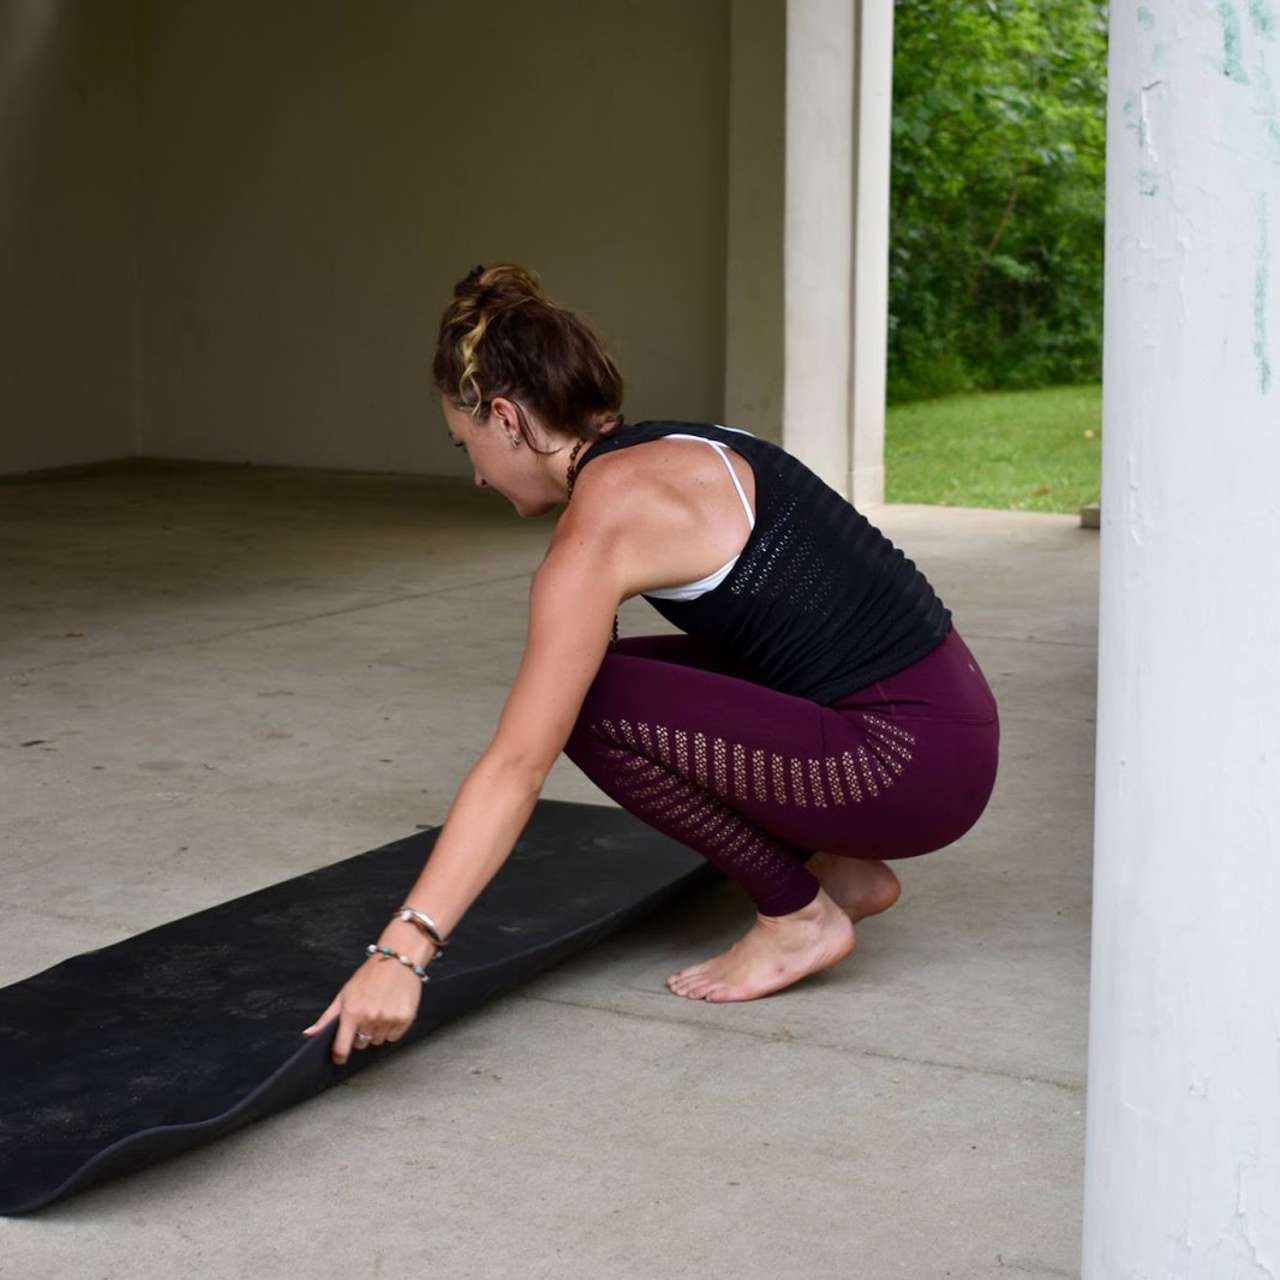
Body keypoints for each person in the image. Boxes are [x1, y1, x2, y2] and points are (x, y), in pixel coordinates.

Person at [303, 262, 1000, 1064]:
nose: (474, 474)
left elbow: (518, 762)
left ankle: (797, 915)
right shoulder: (687, 445)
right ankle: (844, 873)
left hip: (904, 770)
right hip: (950, 732)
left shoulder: (606, 521)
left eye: (467, 445)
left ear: (505, 417)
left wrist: (401, 952)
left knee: (589, 703)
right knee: (620, 676)